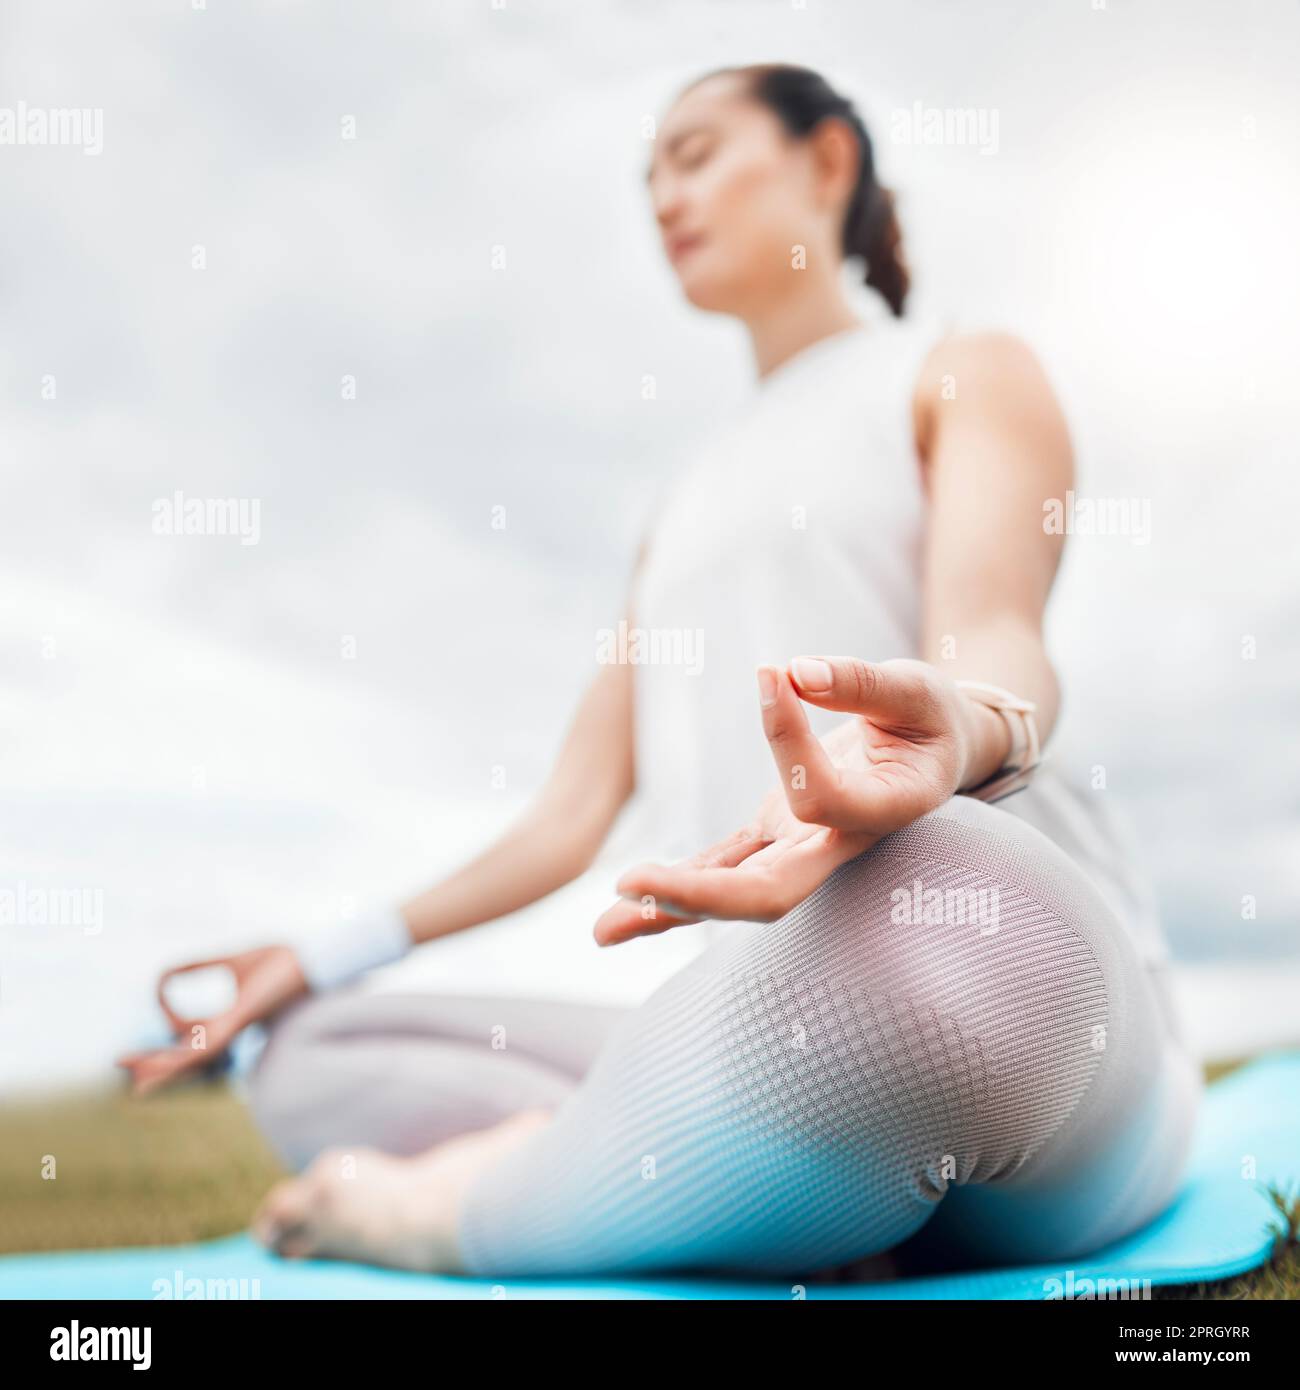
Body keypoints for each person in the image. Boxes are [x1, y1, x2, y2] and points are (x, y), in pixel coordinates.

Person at [118, 63, 1201, 1279]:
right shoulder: (679, 508)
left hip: (992, 991)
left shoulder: (959, 369)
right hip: (759, 1013)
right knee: (313, 1046)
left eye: (695, 154)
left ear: (826, 163)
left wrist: (962, 727)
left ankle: (446, 1211)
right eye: (646, 178)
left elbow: (995, 634)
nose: (662, 197)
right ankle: (718, 1153)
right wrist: (314, 956)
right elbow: (570, 813)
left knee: (928, 909)